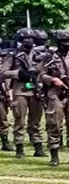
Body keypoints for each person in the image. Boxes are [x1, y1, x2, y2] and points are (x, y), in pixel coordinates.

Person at [38, 30, 69, 166]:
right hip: (55, 94)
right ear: (59, 43)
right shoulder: (49, 57)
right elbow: (40, 75)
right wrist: (52, 79)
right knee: (54, 123)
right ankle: (54, 154)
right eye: (66, 42)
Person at [3, 28, 45, 158]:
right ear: (21, 40)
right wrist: (18, 73)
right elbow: (3, 72)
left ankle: (38, 146)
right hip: (20, 90)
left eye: (31, 39)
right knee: (20, 120)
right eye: (26, 39)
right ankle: (19, 147)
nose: (29, 41)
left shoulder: (40, 55)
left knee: (36, 121)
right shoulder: (13, 55)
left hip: (36, 90)